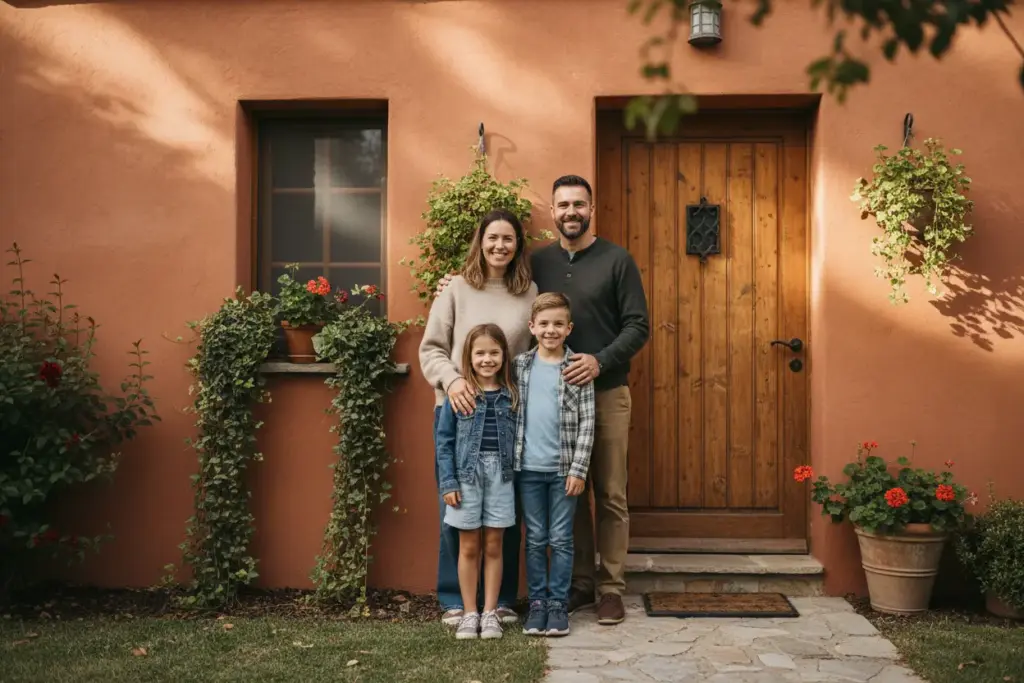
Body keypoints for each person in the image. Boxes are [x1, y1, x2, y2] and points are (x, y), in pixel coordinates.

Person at [435, 174, 649, 625]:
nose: (571, 212)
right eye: (563, 205)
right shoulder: (537, 264)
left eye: (579, 204)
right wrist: (445, 286)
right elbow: (489, 290)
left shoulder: (617, 260)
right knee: (568, 489)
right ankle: (578, 585)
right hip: (541, 398)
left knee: (608, 492)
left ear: (591, 208)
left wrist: (599, 361)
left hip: (604, 390)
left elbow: (638, 327)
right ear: (552, 213)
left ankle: (610, 588)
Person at [418, 209, 538, 627]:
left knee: (505, 510)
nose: (499, 246)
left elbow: (528, 359)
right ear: (480, 241)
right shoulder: (455, 290)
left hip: (505, 417)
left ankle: (500, 601)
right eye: (492, 238)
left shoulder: (529, 292)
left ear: (518, 245)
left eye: (508, 239)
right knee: (457, 505)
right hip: (458, 411)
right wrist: (451, 382)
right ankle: (456, 599)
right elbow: (431, 348)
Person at [513, 292, 595, 637]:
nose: (551, 330)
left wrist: (578, 469)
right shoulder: (519, 366)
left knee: (561, 539)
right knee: (534, 539)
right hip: (527, 471)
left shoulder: (577, 367)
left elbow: (588, 423)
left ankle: (558, 605)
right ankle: (537, 604)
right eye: (544, 324)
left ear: (569, 327)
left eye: (558, 324)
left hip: (563, 471)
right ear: (532, 327)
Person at [435, 324, 520, 640]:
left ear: (503, 356)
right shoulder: (458, 395)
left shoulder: (511, 394)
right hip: (466, 477)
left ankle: (491, 612)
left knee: (495, 544)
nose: (487, 359)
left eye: (494, 352)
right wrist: (449, 482)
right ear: (468, 357)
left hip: (501, 477)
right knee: (468, 546)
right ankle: (469, 613)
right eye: (480, 353)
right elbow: (443, 440)